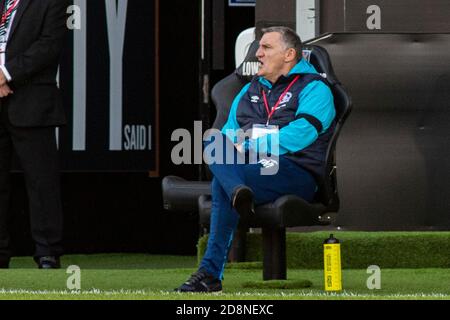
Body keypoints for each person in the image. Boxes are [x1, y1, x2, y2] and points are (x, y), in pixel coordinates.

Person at [175, 26, 336, 292]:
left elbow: (301, 134)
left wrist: (248, 146)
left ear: (289, 54)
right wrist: (233, 149)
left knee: (222, 184)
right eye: (258, 47)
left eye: (266, 48)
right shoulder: (248, 90)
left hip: (296, 170)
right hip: (251, 170)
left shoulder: (315, 88)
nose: (258, 54)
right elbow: (226, 137)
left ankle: (210, 273)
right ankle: (238, 190)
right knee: (212, 139)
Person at [0, 0, 70, 269]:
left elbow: (49, 45)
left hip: (32, 102)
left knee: (42, 182)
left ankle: (47, 252)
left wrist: (6, 75)